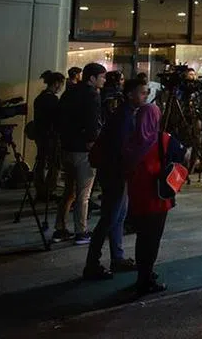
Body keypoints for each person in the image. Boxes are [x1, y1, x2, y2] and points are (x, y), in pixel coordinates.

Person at [84, 78, 145, 280]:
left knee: (118, 215)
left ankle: (117, 258)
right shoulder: (124, 117)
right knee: (110, 217)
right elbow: (121, 149)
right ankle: (92, 263)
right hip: (114, 172)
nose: (145, 96)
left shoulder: (126, 114)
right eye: (142, 92)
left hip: (116, 171)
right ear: (130, 94)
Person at [121, 100, 178, 295]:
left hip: (136, 195)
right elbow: (183, 155)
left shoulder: (130, 140)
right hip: (157, 196)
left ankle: (144, 273)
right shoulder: (163, 139)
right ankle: (145, 278)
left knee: (142, 237)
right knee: (152, 239)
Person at [56, 63, 105, 245]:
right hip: (83, 150)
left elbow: (59, 117)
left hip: (66, 147)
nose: (104, 80)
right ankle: (81, 231)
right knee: (84, 194)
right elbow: (93, 124)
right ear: (92, 78)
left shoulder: (70, 92)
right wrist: (94, 146)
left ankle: (60, 229)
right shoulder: (92, 95)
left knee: (68, 191)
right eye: (102, 77)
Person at [32, 70, 65, 207]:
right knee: (54, 163)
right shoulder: (52, 99)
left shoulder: (40, 98)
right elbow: (56, 118)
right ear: (56, 84)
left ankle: (40, 189)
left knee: (41, 161)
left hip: (40, 134)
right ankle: (47, 190)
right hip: (51, 135)